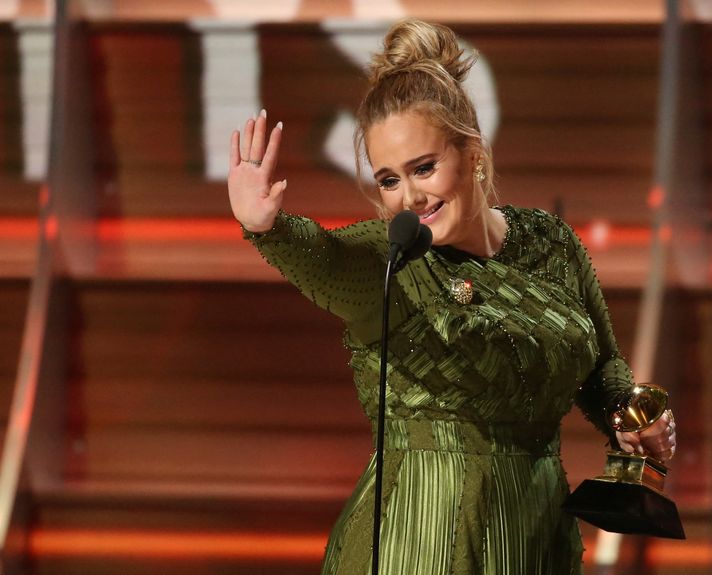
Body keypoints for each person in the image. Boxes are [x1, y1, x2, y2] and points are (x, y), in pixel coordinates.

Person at [228, 18, 677, 575]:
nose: (410, 196)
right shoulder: (389, 261)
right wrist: (266, 228)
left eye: (424, 168)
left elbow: (603, 365)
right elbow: (324, 258)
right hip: (415, 542)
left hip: (535, 538)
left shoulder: (551, 241)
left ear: (473, 154)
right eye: (389, 179)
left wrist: (632, 415)